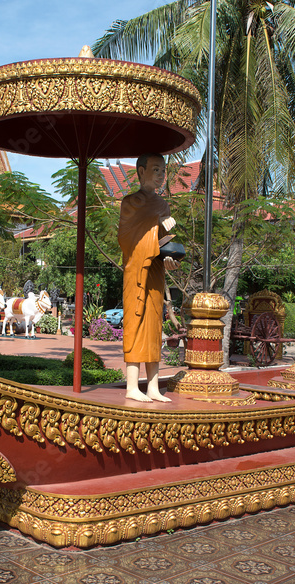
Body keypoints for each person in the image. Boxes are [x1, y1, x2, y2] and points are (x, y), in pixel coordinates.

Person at [118, 153, 179, 402]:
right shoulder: (130, 202)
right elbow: (126, 238)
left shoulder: (162, 205)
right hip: (135, 271)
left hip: (155, 271)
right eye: (156, 170)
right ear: (141, 171)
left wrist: (168, 257)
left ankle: (152, 386)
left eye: (163, 170)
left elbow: (164, 241)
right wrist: (157, 225)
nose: (161, 174)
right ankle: (133, 386)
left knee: (154, 325)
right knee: (136, 322)